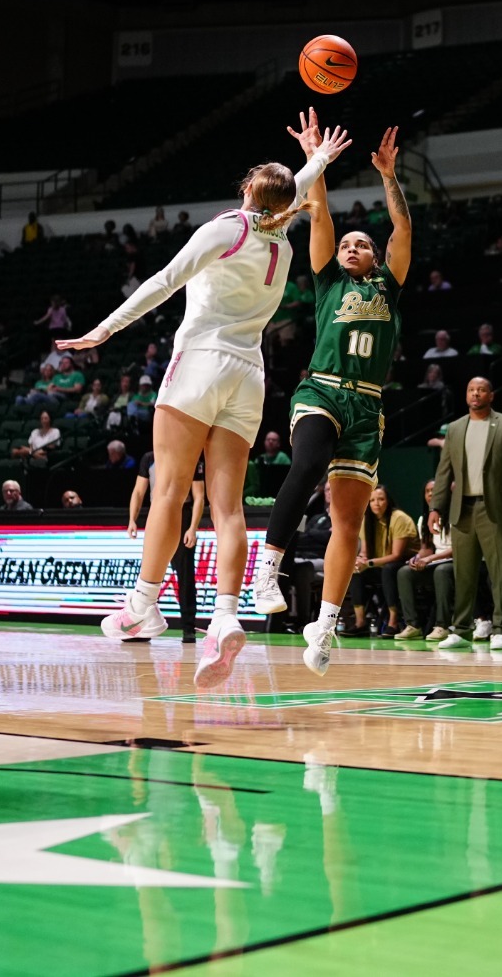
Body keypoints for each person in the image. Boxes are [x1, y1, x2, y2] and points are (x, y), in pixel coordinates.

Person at [62, 113, 346, 687]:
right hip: (249, 376)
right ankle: (224, 618)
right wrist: (316, 160)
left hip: (200, 363)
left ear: (247, 190)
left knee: (168, 490)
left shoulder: (229, 227)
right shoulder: (282, 240)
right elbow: (293, 194)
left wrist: (104, 331)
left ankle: (143, 606)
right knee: (228, 508)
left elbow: (163, 281)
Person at [243, 118, 407, 680]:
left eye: (362, 244)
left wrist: (389, 176)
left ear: (376, 257)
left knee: (348, 520)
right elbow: (320, 213)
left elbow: (402, 228)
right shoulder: (327, 281)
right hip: (322, 390)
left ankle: (326, 624)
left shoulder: (388, 286)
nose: (352, 247)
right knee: (309, 463)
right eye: (346, 244)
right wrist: (314, 160)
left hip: (368, 407)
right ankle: (268, 568)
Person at [426, 377, 502, 650]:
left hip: (493, 507)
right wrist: (435, 507)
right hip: (462, 508)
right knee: (463, 573)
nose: (476, 394)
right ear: (466, 395)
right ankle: (461, 630)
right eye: (471, 390)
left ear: (491, 395)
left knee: (500, 572)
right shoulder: (455, 428)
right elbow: (443, 472)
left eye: (481, 390)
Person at [128, 448, 206, 642]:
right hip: (157, 513)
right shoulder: (149, 458)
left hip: (182, 514)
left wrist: (192, 527)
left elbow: (199, 496)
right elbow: (139, 491)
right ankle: (141, 625)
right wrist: (132, 519)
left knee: (185, 575)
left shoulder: (190, 455)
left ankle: (188, 628)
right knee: (149, 572)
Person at [351, 484, 418, 636]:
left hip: (403, 563)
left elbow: (397, 555)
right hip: (379, 564)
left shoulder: (399, 518)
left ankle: (393, 622)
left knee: (388, 570)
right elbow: (364, 552)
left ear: (388, 501)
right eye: (372, 500)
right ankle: (360, 622)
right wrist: (361, 560)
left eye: (381, 499)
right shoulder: (367, 520)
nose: (377, 503)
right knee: (356, 570)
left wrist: (369, 563)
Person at [397, 480, 455, 640]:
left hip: (456, 562)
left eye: (434, 490)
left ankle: (442, 625)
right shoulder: (425, 519)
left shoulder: (456, 515)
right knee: (404, 572)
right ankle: (412, 625)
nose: (431, 494)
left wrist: (430, 558)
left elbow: (458, 549)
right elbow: (426, 548)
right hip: (436, 561)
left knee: (441, 571)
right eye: (427, 491)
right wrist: (417, 558)